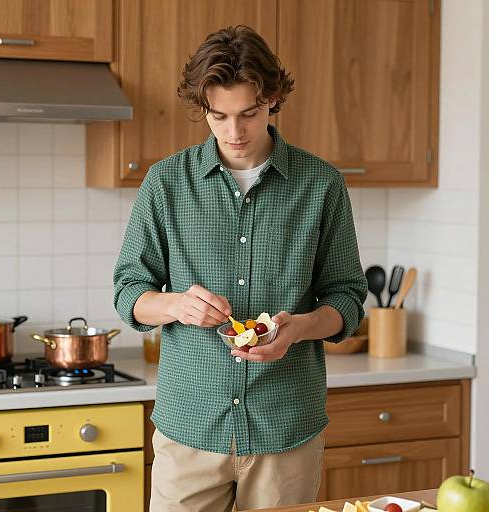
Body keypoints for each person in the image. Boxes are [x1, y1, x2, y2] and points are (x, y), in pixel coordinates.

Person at [114, 25, 367, 512]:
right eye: (219, 116)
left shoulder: (321, 185)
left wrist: (301, 328)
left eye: (249, 114)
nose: (234, 132)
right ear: (203, 109)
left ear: (272, 100)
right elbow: (129, 291)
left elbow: (347, 299)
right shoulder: (166, 183)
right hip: (190, 426)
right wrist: (177, 305)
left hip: (285, 429)